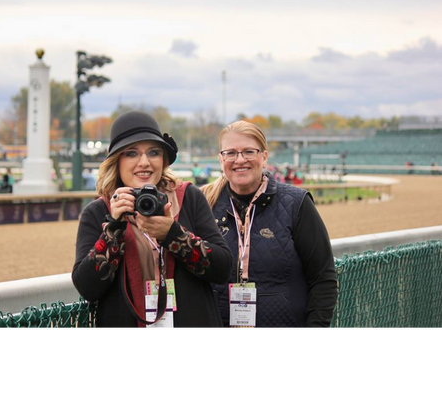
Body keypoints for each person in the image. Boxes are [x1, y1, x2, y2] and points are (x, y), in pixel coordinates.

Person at [72, 111, 233, 331]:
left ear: (163, 160)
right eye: (132, 153)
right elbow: (88, 287)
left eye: (153, 152)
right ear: (116, 161)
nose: (144, 162)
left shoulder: (188, 198)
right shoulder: (98, 211)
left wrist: (173, 235)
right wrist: (113, 228)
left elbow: (222, 269)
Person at [202, 121, 337, 332]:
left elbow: (323, 279)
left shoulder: (296, 203)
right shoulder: (204, 205)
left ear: (264, 157)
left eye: (249, 151)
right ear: (221, 159)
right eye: (231, 153)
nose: (240, 160)